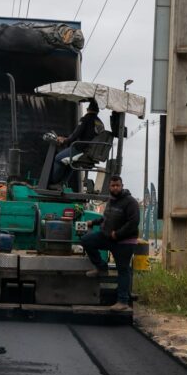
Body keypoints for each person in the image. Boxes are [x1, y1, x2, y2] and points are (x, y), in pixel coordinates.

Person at [79, 175, 140, 312]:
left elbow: (133, 222)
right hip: (107, 237)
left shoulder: (130, 202)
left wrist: (118, 234)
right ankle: (101, 267)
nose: (115, 188)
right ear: (109, 187)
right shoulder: (111, 200)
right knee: (87, 240)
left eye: (117, 185)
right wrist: (93, 223)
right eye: (113, 185)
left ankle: (122, 301)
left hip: (124, 242)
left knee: (123, 270)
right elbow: (106, 218)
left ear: (122, 185)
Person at [50, 99, 105, 186]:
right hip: (91, 152)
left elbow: (75, 135)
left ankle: (53, 183)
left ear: (88, 109)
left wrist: (65, 140)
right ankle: (62, 184)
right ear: (97, 111)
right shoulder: (100, 123)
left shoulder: (85, 119)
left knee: (58, 159)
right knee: (71, 162)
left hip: (81, 149)